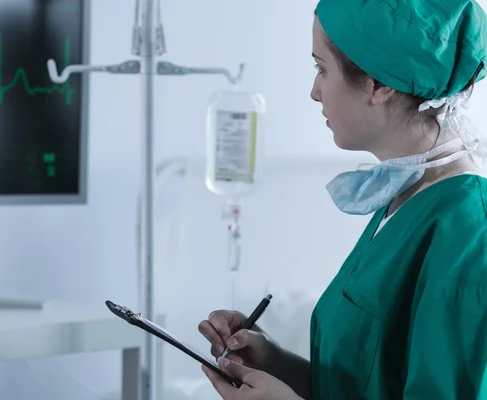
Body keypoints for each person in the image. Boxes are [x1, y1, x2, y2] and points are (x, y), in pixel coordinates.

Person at [198, 0, 487, 398]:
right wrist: (274, 362)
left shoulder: (468, 230)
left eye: (321, 68)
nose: (314, 91)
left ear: (380, 84)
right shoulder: (406, 197)